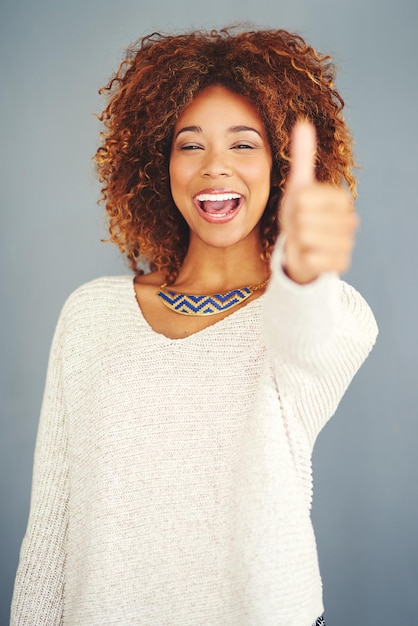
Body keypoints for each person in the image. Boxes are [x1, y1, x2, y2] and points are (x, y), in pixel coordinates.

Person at [11, 27, 378, 626]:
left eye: (243, 145)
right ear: (159, 164)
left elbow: (305, 331)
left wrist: (306, 273)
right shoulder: (90, 315)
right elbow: (51, 530)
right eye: (190, 145)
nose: (214, 169)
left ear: (281, 164)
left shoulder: (327, 315)